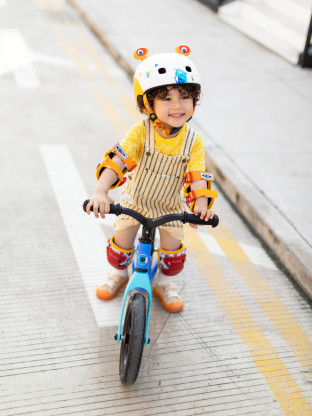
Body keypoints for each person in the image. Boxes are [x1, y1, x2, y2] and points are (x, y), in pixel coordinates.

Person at [86, 45, 218, 313]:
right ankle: (119, 275)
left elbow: (197, 176)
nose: (178, 105)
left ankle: (165, 283)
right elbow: (118, 160)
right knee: (119, 251)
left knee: (173, 258)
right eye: (166, 99)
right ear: (148, 104)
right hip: (134, 202)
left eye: (185, 97)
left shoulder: (194, 141)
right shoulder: (141, 132)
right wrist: (101, 191)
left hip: (170, 208)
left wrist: (201, 203)